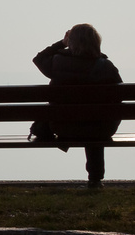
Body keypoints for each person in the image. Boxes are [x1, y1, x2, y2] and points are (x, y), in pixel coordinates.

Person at [30, 23, 121, 187]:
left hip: (64, 128)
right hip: (100, 129)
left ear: (71, 42)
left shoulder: (57, 63)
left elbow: (38, 59)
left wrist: (61, 43)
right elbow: (119, 98)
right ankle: (95, 179)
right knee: (94, 123)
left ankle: (95, 178)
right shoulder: (106, 67)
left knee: (84, 122)